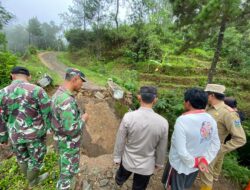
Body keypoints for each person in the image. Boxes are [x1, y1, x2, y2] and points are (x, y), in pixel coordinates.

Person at [0, 66, 51, 187]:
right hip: (35, 135)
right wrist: (51, 129)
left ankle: (30, 177)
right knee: (36, 160)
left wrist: (3, 137)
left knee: (22, 158)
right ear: (29, 76)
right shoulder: (37, 90)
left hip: (14, 135)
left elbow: (0, 118)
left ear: (12, 75)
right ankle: (33, 181)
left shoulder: (2, 93)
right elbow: (48, 113)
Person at [162, 88, 220, 190]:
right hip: (196, 166)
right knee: (184, 186)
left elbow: (181, 150)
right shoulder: (211, 119)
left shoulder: (183, 120)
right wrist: (204, 160)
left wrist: (194, 162)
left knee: (172, 186)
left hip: (178, 165)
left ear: (188, 103)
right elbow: (216, 144)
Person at [113, 86, 169, 190]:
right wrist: (159, 163)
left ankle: (118, 183)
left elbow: (120, 139)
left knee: (120, 177)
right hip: (146, 165)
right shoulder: (163, 122)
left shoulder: (128, 117)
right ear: (155, 100)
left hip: (128, 160)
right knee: (139, 187)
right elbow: (162, 147)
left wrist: (117, 156)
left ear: (139, 97)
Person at [200, 84, 246, 190]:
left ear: (211, 95)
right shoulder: (208, 108)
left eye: (206, 94)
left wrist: (221, 149)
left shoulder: (229, 113)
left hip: (211, 150)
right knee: (202, 173)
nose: (204, 96)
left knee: (206, 176)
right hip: (201, 146)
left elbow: (240, 139)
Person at [51, 68, 89, 190]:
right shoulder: (66, 100)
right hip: (68, 145)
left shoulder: (58, 94)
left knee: (65, 170)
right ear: (74, 79)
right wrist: (83, 119)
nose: (82, 84)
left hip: (61, 141)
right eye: (81, 81)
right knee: (66, 177)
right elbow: (72, 130)